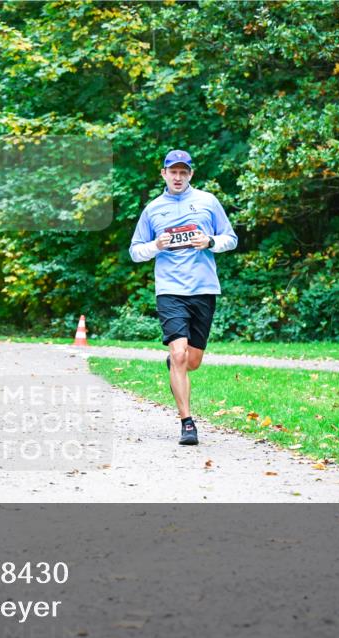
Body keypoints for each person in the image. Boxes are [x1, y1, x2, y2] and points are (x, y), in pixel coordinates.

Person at [129, 150, 237, 446]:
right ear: (163, 174)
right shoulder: (153, 210)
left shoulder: (207, 202)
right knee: (179, 355)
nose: (178, 177)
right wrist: (155, 245)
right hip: (170, 290)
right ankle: (187, 423)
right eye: (172, 172)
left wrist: (211, 241)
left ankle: (176, 364)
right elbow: (135, 251)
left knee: (192, 361)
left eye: (183, 172)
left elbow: (231, 238)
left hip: (203, 289)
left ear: (191, 174)